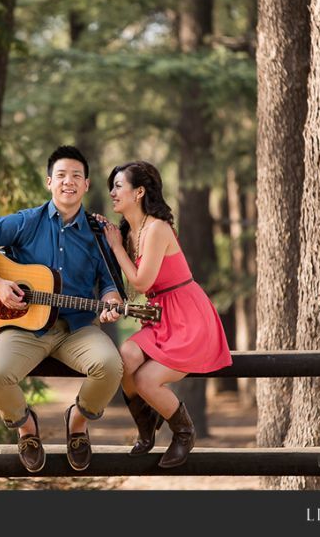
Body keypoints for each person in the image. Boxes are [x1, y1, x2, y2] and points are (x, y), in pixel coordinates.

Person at [0, 145, 124, 473]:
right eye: (61, 175)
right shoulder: (26, 221)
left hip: (77, 329)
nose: (68, 182)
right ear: (49, 182)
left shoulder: (99, 233)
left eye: (76, 176)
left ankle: (77, 422)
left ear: (87, 184)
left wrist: (113, 301)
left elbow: (110, 284)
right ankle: (26, 428)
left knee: (110, 366)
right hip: (25, 328)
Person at [93, 160, 232, 468]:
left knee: (145, 380)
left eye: (118, 186)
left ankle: (184, 432)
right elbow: (129, 283)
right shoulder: (130, 232)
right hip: (160, 315)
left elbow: (141, 281)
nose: (112, 193)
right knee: (124, 357)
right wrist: (106, 235)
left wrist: (115, 246)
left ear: (139, 192)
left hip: (188, 316)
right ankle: (146, 425)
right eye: (112, 187)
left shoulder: (157, 228)